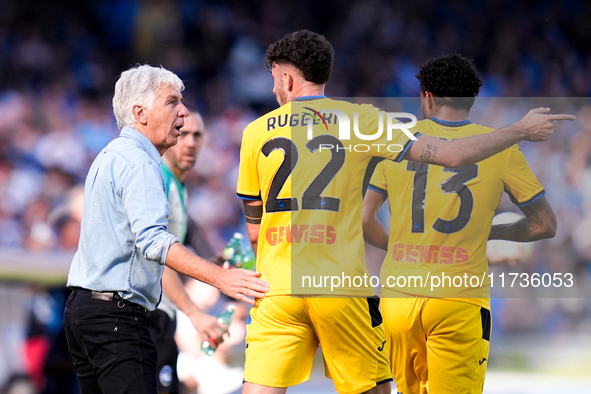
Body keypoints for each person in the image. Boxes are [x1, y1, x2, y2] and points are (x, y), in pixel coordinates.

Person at [236, 30, 573, 394]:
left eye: (273, 81)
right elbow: (457, 158)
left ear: (286, 77)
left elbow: (259, 230)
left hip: (293, 289)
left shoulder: (254, 132)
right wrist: (518, 131)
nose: (273, 90)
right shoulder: (362, 121)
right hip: (362, 288)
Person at [63, 64, 269, 394]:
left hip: (86, 311)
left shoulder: (110, 154)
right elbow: (154, 243)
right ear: (140, 113)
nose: (184, 111)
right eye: (172, 101)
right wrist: (221, 278)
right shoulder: (142, 162)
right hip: (118, 317)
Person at [362, 54, 557, 394]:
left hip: (397, 299)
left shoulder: (396, 141)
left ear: (428, 97)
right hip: (459, 299)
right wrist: (489, 232)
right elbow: (544, 225)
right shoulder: (501, 147)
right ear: (472, 100)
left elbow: (364, 220)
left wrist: (402, 248)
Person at [148, 108, 226, 394]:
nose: (191, 142)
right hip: (150, 315)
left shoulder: (177, 185)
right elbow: (160, 256)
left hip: (162, 315)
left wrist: (216, 263)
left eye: (197, 135)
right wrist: (194, 313)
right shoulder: (161, 181)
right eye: (183, 133)